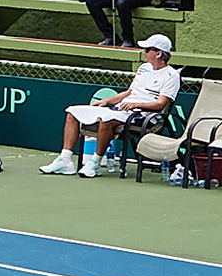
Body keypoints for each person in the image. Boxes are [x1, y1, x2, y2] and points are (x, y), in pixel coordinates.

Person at [39, 35, 180, 178]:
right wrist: (107, 101)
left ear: (158, 53)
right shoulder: (144, 68)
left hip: (143, 116)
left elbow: (160, 104)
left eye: (147, 49)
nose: (144, 52)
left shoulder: (171, 76)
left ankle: (95, 163)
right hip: (122, 109)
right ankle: (65, 160)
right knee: (72, 112)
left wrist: (135, 104)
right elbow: (128, 92)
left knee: (106, 120)